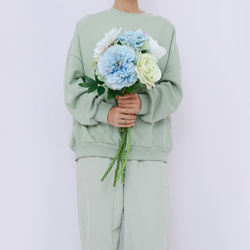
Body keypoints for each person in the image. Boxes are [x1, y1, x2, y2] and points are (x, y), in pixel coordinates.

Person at [63, 0, 183, 249]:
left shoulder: (164, 28)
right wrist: (105, 112)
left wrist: (143, 103)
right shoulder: (86, 27)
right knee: (97, 242)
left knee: (149, 241)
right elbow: (72, 88)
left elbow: (173, 90)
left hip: (149, 152)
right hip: (96, 149)